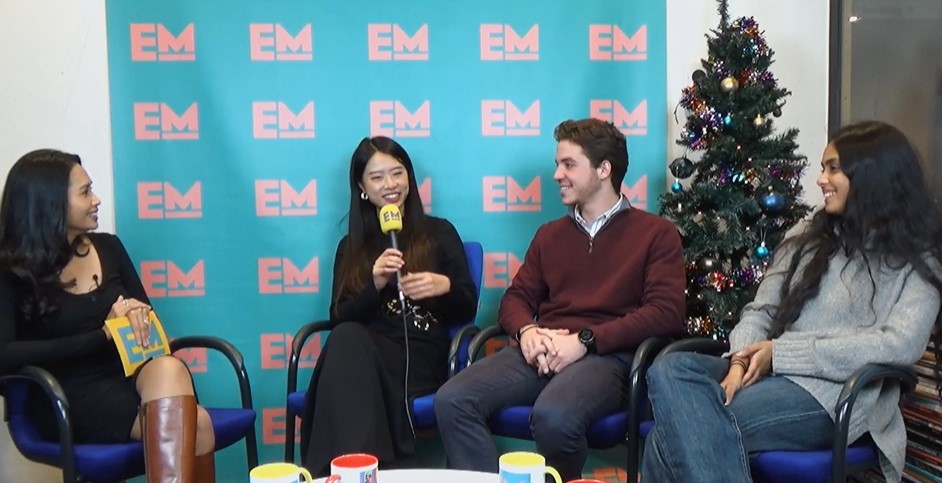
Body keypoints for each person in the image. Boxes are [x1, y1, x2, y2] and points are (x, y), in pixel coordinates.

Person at [640, 121, 942, 483]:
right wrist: (739, 362)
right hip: (766, 375)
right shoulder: (805, 235)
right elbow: (761, 310)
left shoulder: (919, 258)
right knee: (670, 368)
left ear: (872, 176)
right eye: (823, 168)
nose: (821, 179)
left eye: (833, 168)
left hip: (835, 396)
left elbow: (900, 344)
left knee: (668, 437)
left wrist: (782, 353)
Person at [435, 118, 687, 481]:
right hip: (544, 349)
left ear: (604, 169)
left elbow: (666, 314)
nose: (557, 175)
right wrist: (527, 332)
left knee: (553, 417)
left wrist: (585, 341)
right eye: (557, 164)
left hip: (608, 358)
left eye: (569, 164)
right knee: (452, 400)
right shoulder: (549, 235)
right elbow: (515, 298)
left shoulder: (656, 234)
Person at [0, 149, 216, 483]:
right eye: (85, 192)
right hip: (66, 392)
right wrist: (104, 334)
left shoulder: (110, 247)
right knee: (198, 426)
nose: (96, 200)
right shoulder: (11, 271)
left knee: (170, 368)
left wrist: (140, 319)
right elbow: (5, 355)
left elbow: (151, 325)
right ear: (51, 204)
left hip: (128, 376)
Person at [298, 136, 478, 475]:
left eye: (397, 173)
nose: (390, 184)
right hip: (362, 355)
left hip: (419, 355)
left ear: (409, 177)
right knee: (347, 339)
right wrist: (375, 285)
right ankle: (365, 471)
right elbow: (338, 318)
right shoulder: (350, 246)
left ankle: (346, 473)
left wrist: (445, 287)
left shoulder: (439, 233)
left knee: (347, 360)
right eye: (377, 177)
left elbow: (466, 308)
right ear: (362, 188)